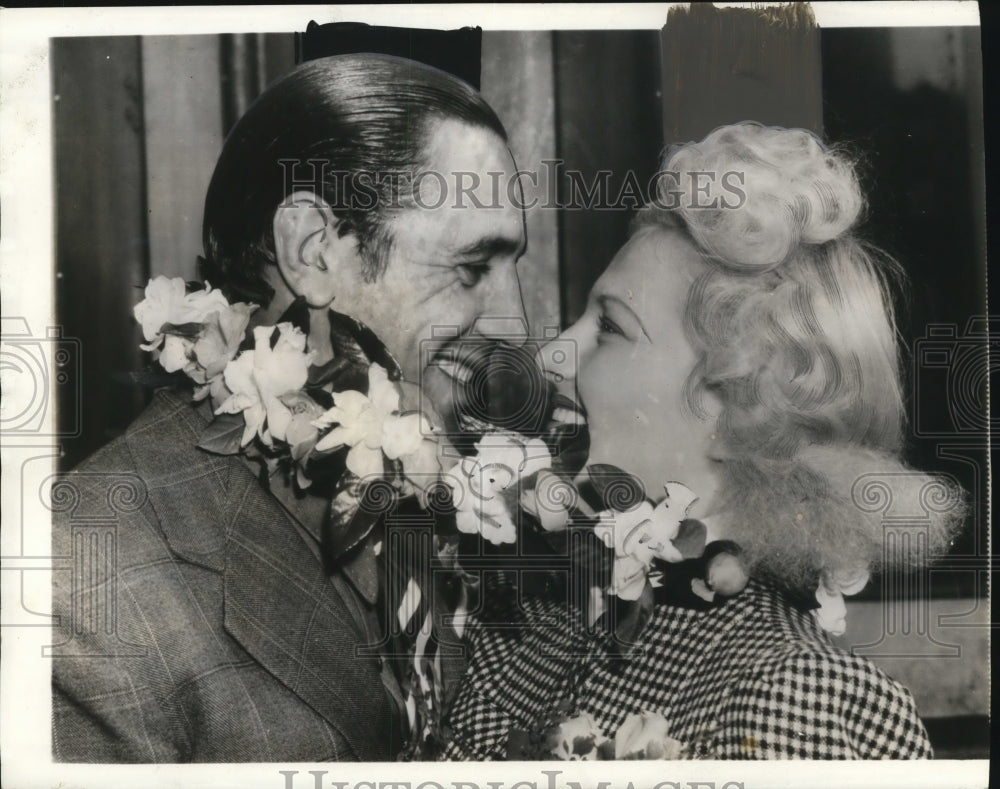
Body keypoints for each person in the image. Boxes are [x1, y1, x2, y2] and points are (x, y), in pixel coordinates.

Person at [51, 53, 528, 762]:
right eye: (470, 267)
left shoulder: (439, 490)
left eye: (513, 268)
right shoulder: (87, 584)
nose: (517, 324)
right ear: (313, 252)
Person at [438, 123, 964, 760]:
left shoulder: (791, 693)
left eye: (609, 327)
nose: (551, 355)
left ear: (738, 407)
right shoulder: (542, 625)